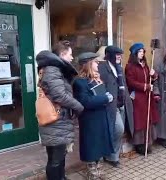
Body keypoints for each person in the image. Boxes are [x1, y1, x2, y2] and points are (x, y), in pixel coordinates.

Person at [36, 41, 84, 180]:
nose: (72, 57)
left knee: (59, 156)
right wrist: (78, 106)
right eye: (70, 54)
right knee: (55, 159)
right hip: (55, 120)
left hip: (59, 119)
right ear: (62, 54)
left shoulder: (54, 69)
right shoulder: (52, 70)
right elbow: (59, 95)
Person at [73, 52, 114, 179]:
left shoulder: (96, 77)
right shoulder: (79, 82)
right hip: (89, 120)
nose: (98, 64)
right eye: (96, 62)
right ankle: (92, 174)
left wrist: (106, 95)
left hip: (101, 117)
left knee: (100, 145)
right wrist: (105, 98)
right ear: (88, 64)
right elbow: (85, 101)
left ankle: (99, 170)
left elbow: (102, 92)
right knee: (92, 146)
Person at [98, 46, 134, 167]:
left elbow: (122, 84)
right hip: (110, 105)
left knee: (117, 130)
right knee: (119, 129)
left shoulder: (119, 67)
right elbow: (100, 86)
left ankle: (113, 156)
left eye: (120, 54)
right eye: (117, 54)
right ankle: (111, 156)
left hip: (121, 103)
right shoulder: (102, 67)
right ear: (110, 55)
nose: (119, 57)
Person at [125, 43, 159, 155]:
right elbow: (131, 82)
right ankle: (139, 144)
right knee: (139, 121)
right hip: (138, 98)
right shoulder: (130, 66)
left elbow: (150, 79)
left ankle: (147, 142)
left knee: (148, 119)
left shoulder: (145, 65)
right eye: (140, 52)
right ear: (135, 53)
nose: (142, 53)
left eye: (143, 51)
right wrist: (145, 86)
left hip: (147, 96)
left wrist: (153, 75)